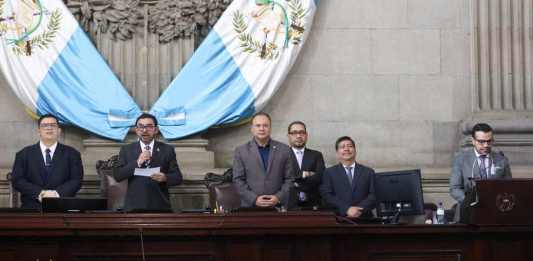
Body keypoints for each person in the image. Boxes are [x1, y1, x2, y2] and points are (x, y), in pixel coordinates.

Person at [11, 114, 83, 209]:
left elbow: (76, 180)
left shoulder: (72, 153)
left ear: (59, 131)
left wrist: (56, 194)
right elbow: (17, 180)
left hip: (63, 207)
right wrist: (40, 193)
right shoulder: (23, 154)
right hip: (32, 208)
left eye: (53, 125)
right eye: (45, 125)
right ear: (39, 131)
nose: (49, 128)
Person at [114, 113, 183, 211]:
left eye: (149, 127)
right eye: (141, 126)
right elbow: (118, 175)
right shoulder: (127, 150)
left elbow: (178, 178)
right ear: (136, 130)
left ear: (156, 130)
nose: (144, 130)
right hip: (134, 207)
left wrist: (165, 177)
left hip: (160, 206)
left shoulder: (167, 149)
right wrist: (137, 162)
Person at [232, 112, 296, 209]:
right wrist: (254, 199)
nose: (262, 129)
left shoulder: (285, 150)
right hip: (250, 207)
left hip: (278, 207)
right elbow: (238, 180)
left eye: (265, 125)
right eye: (258, 125)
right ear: (252, 129)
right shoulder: (241, 151)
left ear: (270, 128)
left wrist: (278, 197)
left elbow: (289, 179)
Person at [449, 123, 512, 220]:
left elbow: (509, 187)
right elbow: (454, 188)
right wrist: (469, 202)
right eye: (481, 142)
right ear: (473, 141)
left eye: (489, 141)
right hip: (467, 213)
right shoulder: (461, 159)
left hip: (495, 214)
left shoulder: (501, 160)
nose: (486, 145)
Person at [320, 136, 375, 218]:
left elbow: (373, 195)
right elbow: (327, 196)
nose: (346, 149)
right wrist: (346, 209)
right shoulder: (329, 173)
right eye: (342, 147)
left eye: (350, 146)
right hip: (339, 219)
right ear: (337, 153)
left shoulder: (368, 172)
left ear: (355, 150)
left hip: (365, 218)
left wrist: (358, 210)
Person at [286, 121, 325, 209]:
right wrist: (304, 174)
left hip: (312, 204)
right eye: (294, 133)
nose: (299, 136)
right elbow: (280, 177)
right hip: (289, 204)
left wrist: (294, 179)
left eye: (301, 132)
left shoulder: (317, 155)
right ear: (289, 136)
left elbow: (320, 177)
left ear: (306, 135)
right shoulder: (281, 155)